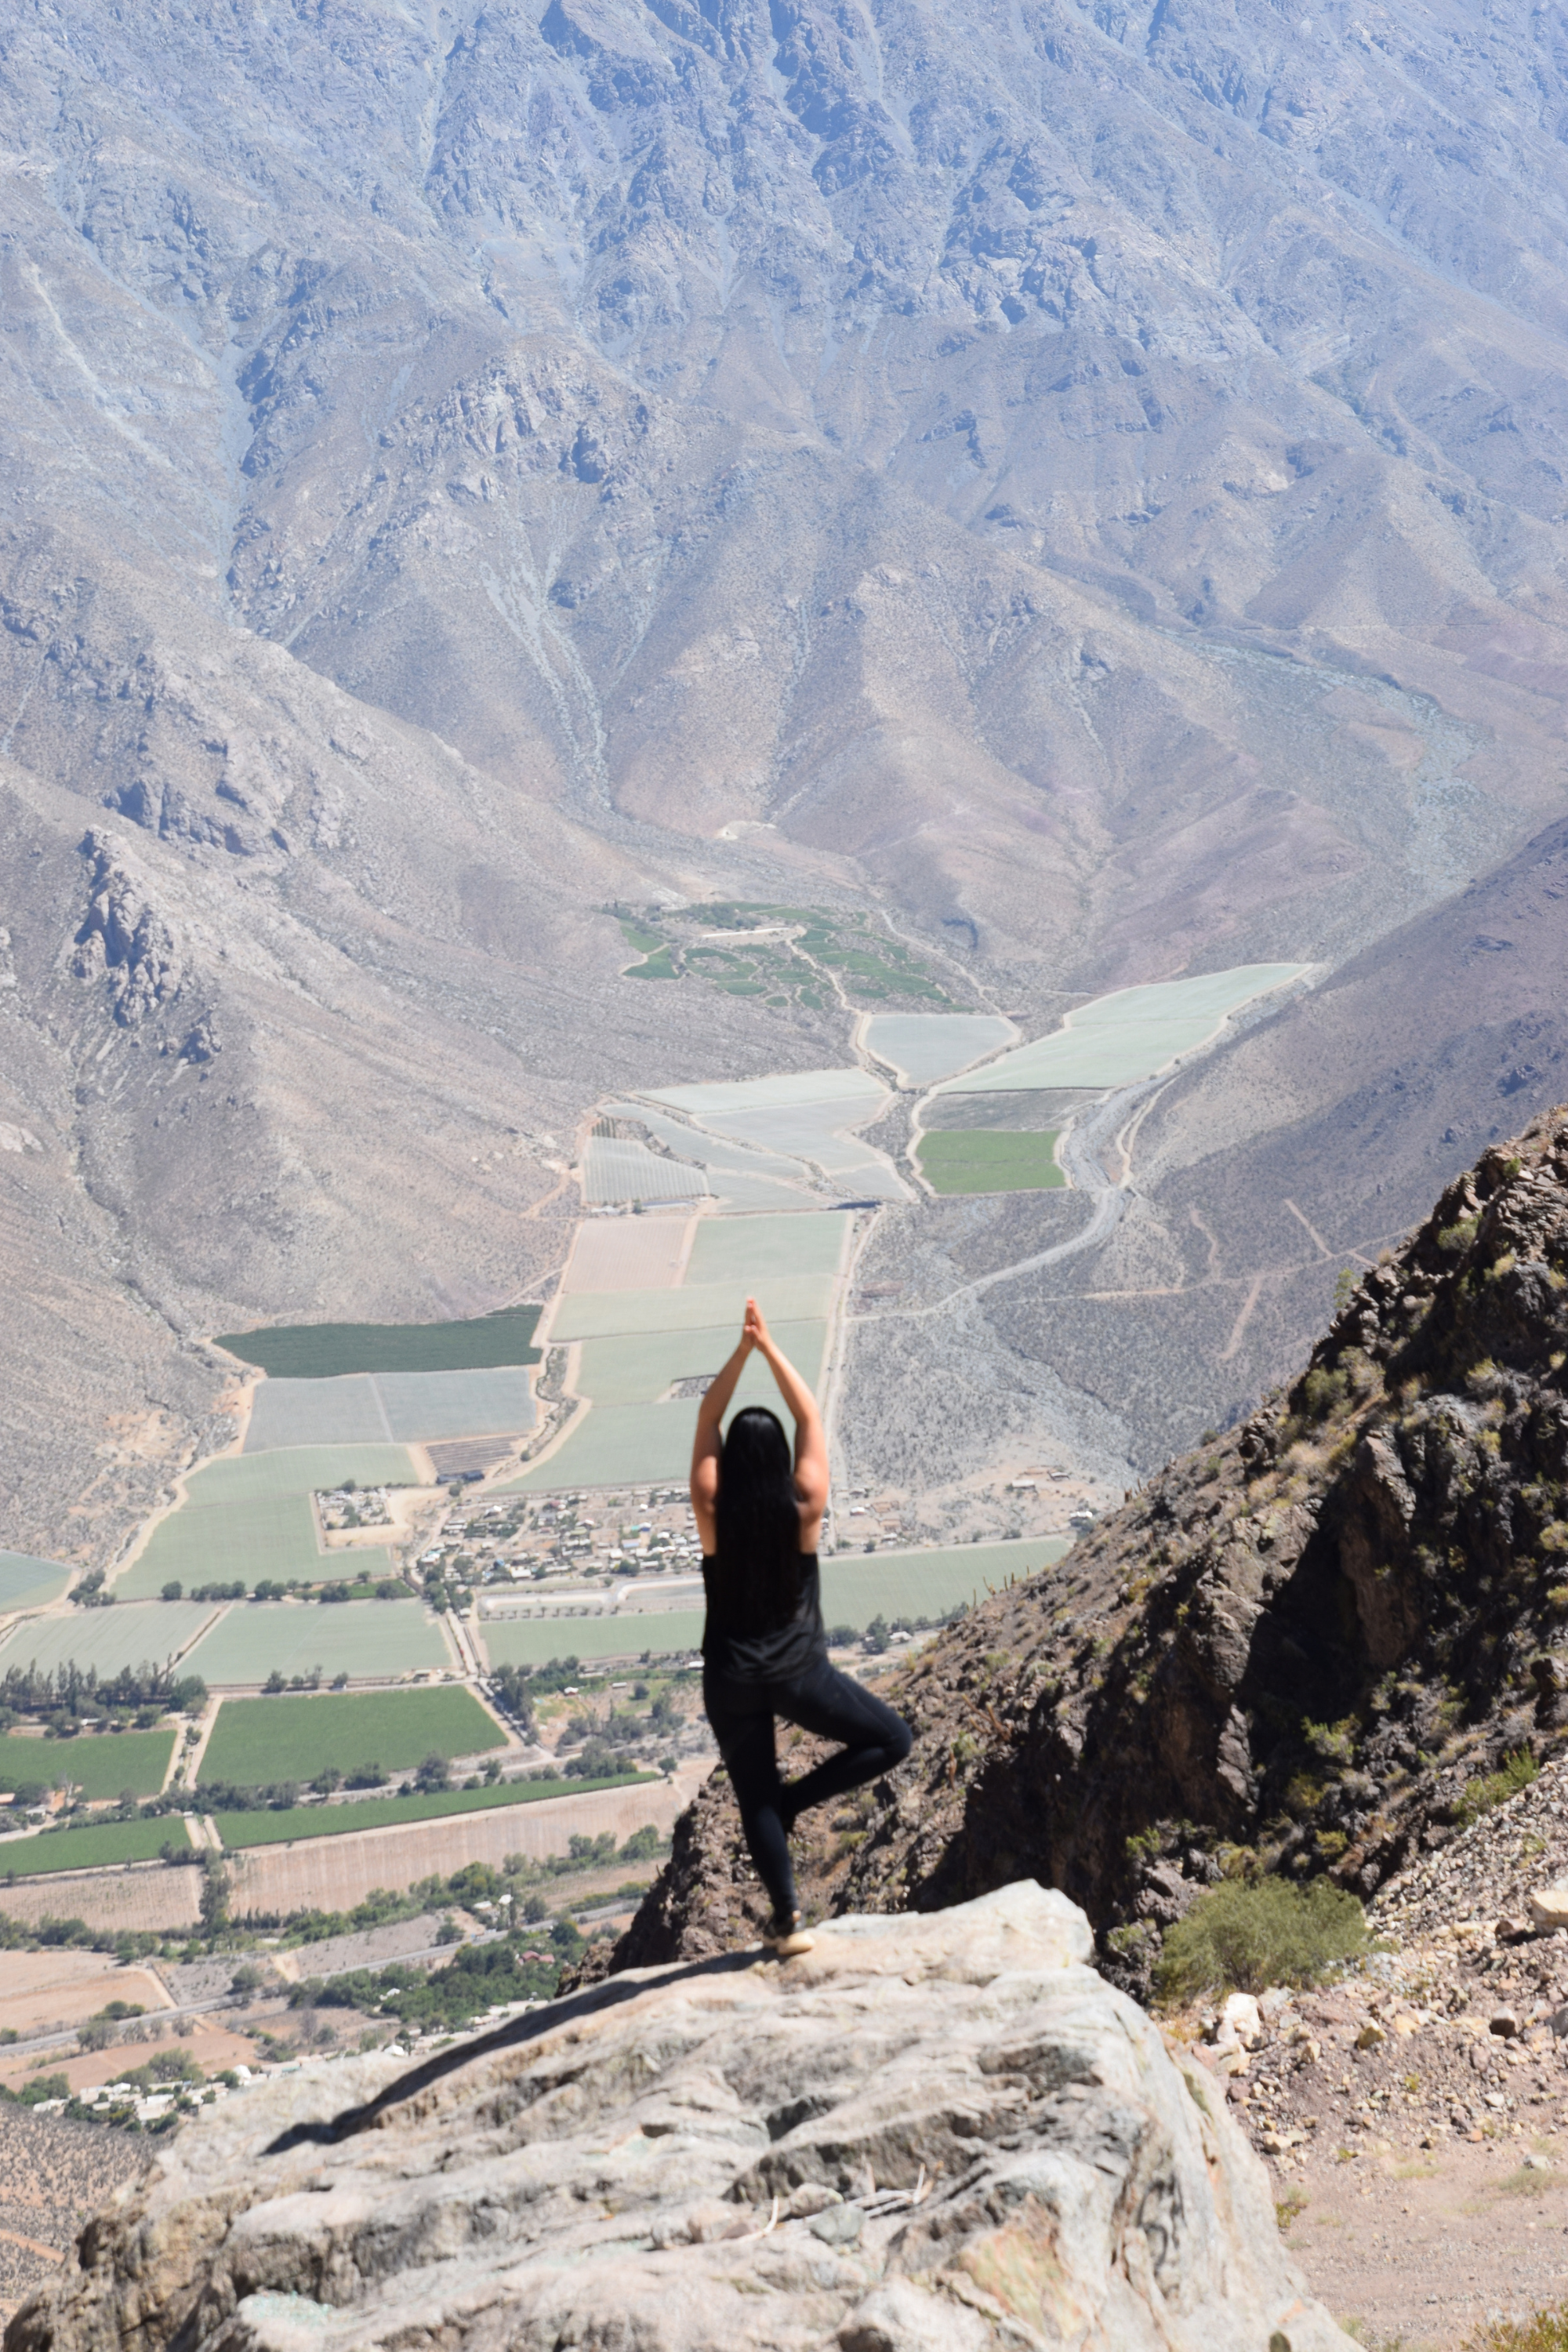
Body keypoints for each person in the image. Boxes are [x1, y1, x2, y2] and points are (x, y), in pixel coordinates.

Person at [691, 1295, 913, 1956]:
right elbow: (810, 1413)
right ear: (780, 1459)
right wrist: (768, 1348)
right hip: (798, 1675)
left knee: (753, 1793)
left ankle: (788, 1918)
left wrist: (739, 1353)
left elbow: (708, 1414)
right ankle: (796, 1802)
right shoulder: (804, 1507)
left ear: (731, 1465)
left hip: (730, 1678)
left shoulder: (712, 1508)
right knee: (893, 1739)